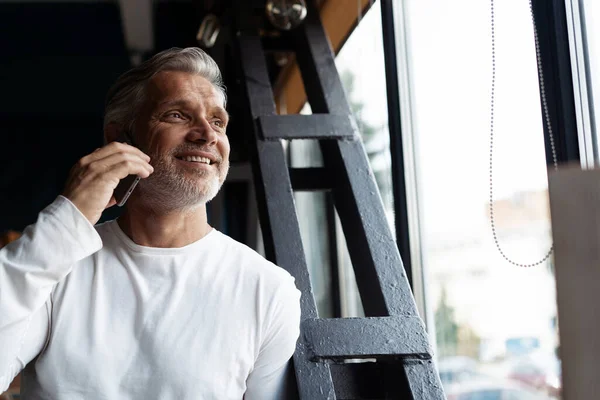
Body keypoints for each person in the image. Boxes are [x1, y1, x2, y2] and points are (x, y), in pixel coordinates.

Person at [0, 47, 301, 399]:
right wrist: (68, 218)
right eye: (177, 114)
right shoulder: (56, 267)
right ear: (119, 140)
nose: (207, 135)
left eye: (218, 122)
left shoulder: (268, 290)